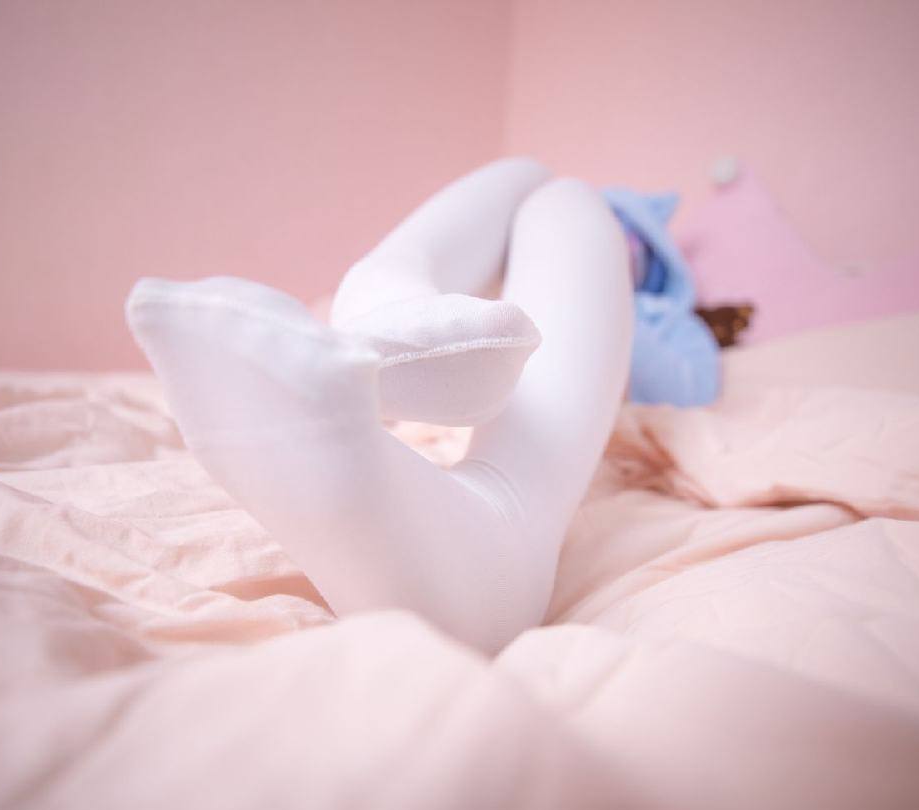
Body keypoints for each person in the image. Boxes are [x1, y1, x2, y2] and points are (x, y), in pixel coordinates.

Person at [126, 158, 632, 653]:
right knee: (534, 177)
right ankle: (385, 311)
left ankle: (378, 303)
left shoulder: (653, 310)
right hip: (462, 329)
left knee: (566, 196)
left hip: (446, 329)